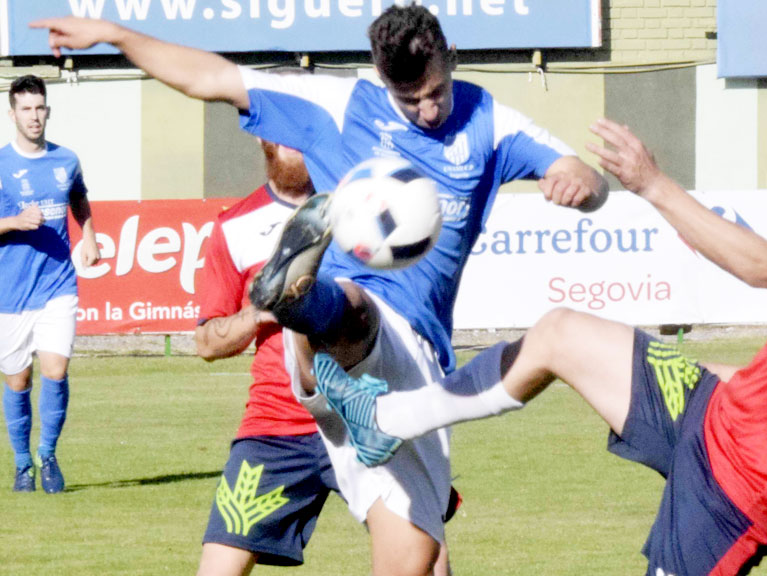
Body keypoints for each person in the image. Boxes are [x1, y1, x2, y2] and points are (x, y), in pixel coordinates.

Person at [35, 6, 607, 575]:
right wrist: (113, 34)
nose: (428, 111)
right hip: (347, 328)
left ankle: (303, 312)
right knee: (358, 308)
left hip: (413, 373)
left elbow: (585, 176)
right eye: (410, 101)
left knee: (414, 562)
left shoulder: (491, 122)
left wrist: (579, 182)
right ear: (383, 81)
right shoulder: (340, 107)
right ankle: (296, 295)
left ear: (451, 59)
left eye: (435, 93)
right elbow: (211, 77)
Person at [314, 105, 767, 575]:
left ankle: (392, 418)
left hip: (741, 489)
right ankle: (388, 420)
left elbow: (759, 265)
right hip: (716, 413)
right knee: (560, 334)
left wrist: (650, 183)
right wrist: (697, 367)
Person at [192, 138, 338, 574]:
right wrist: (262, 309)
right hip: (276, 428)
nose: (301, 141)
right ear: (262, 137)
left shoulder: (357, 207)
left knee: (425, 552)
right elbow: (207, 343)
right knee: (218, 568)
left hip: (366, 417)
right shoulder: (234, 226)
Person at [0, 75, 100, 494]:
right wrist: (13, 223)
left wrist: (90, 234)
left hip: (58, 284)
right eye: (26, 108)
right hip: (10, 293)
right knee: (17, 380)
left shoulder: (66, 160)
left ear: (48, 111)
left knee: (56, 370)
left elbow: (78, 197)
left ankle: (47, 454)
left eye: (40, 107)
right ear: (13, 114)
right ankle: (23, 464)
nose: (34, 116)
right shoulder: (2, 164)